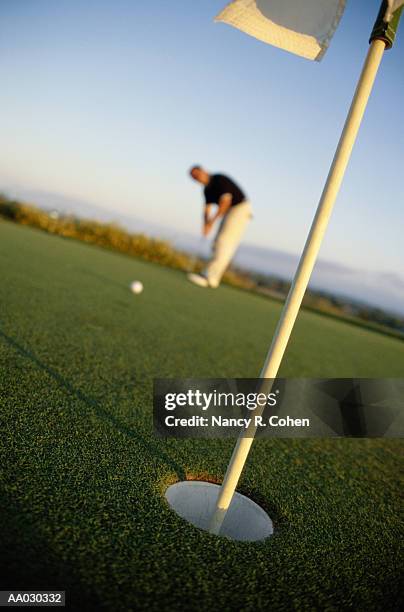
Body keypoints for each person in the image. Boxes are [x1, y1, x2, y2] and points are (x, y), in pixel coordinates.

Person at [187, 165, 252, 288]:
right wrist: (206, 224)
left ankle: (210, 277)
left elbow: (225, 203)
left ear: (204, 171)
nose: (197, 178)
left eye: (197, 174)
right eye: (194, 177)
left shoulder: (219, 179)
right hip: (230, 211)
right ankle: (210, 275)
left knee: (224, 242)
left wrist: (212, 222)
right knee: (217, 242)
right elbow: (207, 209)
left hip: (240, 209)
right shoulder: (206, 190)